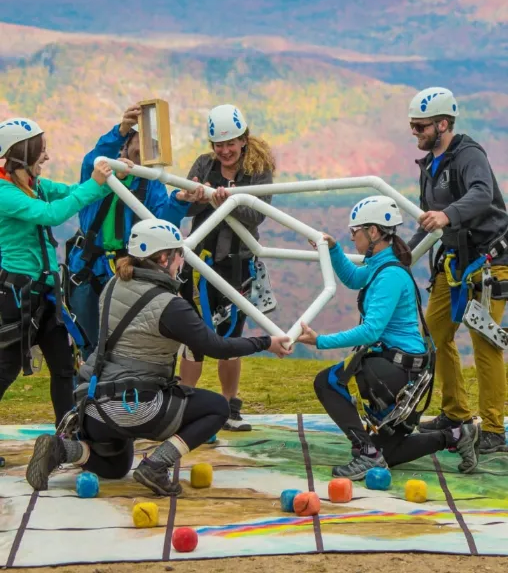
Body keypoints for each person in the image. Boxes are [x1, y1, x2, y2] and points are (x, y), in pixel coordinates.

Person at [25, 220, 292, 494]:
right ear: (164, 258)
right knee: (217, 408)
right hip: (137, 406)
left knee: (115, 467)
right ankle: (156, 465)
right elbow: (216, 347)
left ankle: (62, 449)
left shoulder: (114, 284)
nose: (182, 262)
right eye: (179, 255)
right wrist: (265, 342)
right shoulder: (169, 305)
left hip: (93, 403)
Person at [298, 196, 481, 480]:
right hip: (405, 370)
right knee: (390, 453)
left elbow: (371, 331)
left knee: (328, 381)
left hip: (395, 370)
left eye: (354, 232)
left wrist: (319, 341)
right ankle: (456, 434)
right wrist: (334, 250)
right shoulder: (380, 265)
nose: (351, 237)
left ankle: (365, 453)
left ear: (373, 232)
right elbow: (354, 279)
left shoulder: (389, 275)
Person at [407, 87, 508, 454]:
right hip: (452, 265)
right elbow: (427, 223)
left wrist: (448, 215)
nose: (415, 133)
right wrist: (403, 256)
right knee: (434, 334)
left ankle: (494, 429)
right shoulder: (428, 168)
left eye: (420, 126)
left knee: (484, 341)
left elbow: (482, 193)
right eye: (412, 126)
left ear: (443, 123)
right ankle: (456, 413)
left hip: (489, 264)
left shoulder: (469, 154)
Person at [67, 104, 205, 357]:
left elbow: (161, 223)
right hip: (88, 267)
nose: (142, 152)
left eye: (151, 146)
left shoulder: (150, 185)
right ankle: (87, 394)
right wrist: (121, 129)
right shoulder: (99, 172)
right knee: (89, 344)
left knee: (122, 343)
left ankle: (118, 393)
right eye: (138, 141)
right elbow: (95, 157)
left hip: (128, 269)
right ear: (125, 145)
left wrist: (181, 199)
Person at [0, 117, 113, 427]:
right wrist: (95, 185)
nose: (46, 158)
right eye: (41, 151)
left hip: (47, 296)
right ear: (22, 153)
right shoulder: (4, 193)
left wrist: (114, 180)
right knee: (5, 370)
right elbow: (51, 215)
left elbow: (71, 193)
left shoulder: (34, 186)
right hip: (18, 297)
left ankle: (67, 436)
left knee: (64, 369)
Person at [179, 104, 276, 431]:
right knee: (192, 336)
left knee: (231, 335)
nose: (225, 151)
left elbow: (257, 215)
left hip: (239, 264)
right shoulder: (205, 165)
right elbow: (185, 204)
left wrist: (226, 201)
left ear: (243, 139)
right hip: (200, 261)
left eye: (231, 143)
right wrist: (195, 195)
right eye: (218, 145)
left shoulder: (259, 169)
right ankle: (183, 403)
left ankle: (229, 406)